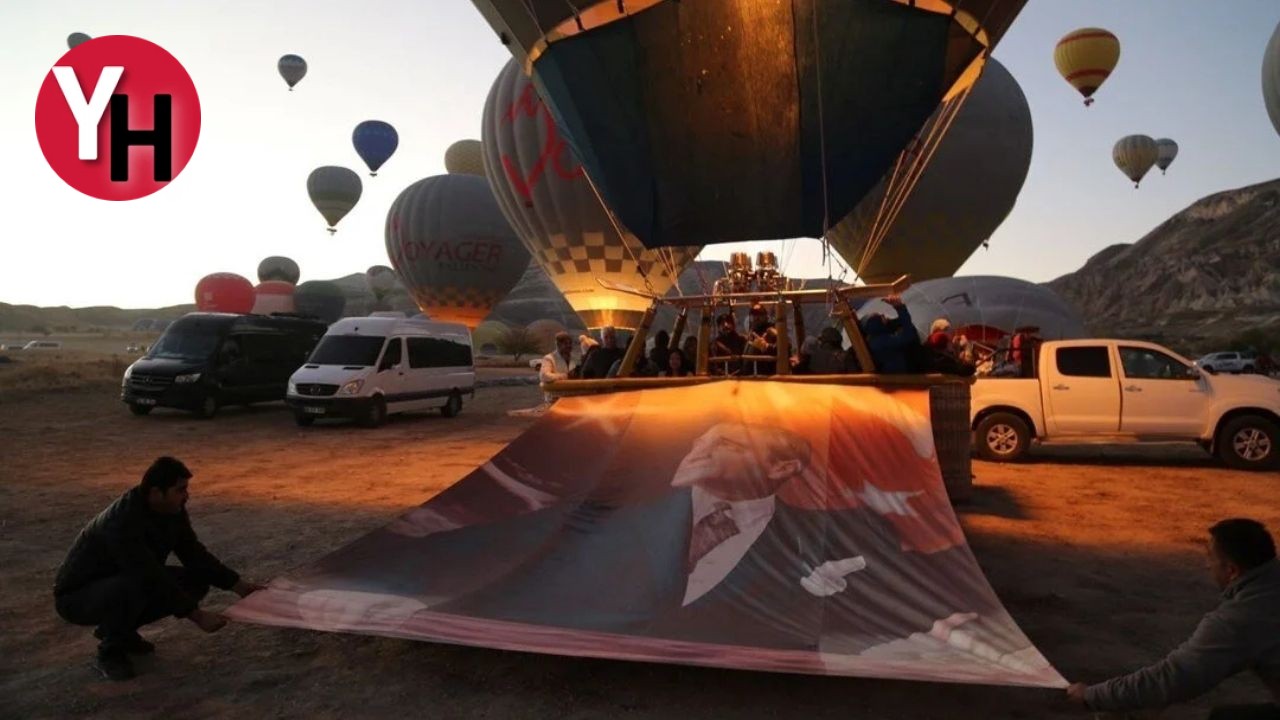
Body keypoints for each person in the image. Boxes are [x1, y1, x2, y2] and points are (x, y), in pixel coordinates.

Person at [53, 457, 263, 681]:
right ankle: (110, 651)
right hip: (78, 597)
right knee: (133, 585)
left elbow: (193, 554)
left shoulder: (172, 510)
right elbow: (147, 573)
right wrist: (197, 616)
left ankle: (121, 631)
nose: (186, 496)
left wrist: (239, 586)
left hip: (123, 582)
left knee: (195, 581)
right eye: (180, 490)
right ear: (156, 492)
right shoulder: (122, 522)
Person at [1067, 519, 1280, 718]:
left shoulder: (1240, 619)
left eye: (1211, 559)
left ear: (1232, 570)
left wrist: (1092, 696)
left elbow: (1175, 678)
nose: (1208, 566)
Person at [860, 295, 921, 373]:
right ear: (877, 325)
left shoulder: (877, 336)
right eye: (880, 317)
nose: (883, 315)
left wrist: (898, 307)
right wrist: (900, 307)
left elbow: (899, 322)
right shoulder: (880, 341)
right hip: (903, 373)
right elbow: (908, 335)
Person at [538, 331, 574, 403]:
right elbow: (544, 376)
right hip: (554, 400)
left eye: (570, 343)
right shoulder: (549, 358)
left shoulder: (575, 358)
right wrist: (566, 376)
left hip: (572, 398)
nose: (569, 346)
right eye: (566, 344)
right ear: (558, 344)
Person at [745, 303, 779, 375]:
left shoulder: (771, 331)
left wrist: (767, 346)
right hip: (751, 376)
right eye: (753, 314)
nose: (756, 317)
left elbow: (786, 348)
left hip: (767, 376)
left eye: (759, 314)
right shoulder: (752, 333)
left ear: (766, 316)